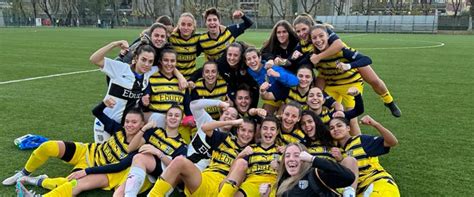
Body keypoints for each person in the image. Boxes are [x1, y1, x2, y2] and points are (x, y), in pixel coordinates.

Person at [7, 105, 153, 195]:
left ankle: (36, 180)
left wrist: (85, 172)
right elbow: (97, 112)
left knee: (67, 183)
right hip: (86, 151)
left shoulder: (137, 148)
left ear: (142, 124)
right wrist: (104, 104)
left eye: (134, 122)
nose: (129, 125)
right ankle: (23, 172)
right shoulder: (118, 130)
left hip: (93, 167)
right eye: (127, 121)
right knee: (48, 146)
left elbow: (118, 167)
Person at [146, 118, 256, 197]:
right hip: (205, 179)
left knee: (241, 163)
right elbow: (205, 128)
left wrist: (241, 155)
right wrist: (232, 122)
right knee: (179, 160)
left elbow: (236, 173)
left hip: (224, 186)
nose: (246, 134)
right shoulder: (224, 138)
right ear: (237, 130)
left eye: (250, 131)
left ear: (254, 134)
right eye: (243, 130)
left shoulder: (253, 151)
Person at [90, 40, 158, 143]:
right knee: (102, 157)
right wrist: (114, 44)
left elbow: (167, 65)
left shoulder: (148, 73)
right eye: (143, 60)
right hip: (104, 122)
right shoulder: (120, 68)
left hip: (125, 127)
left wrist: (181, 78)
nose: (146, 64)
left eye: (150, 61)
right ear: (136, 58)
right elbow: (94, 59)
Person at [113, 104, 188, 197]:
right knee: (119, 193)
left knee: (139, 157)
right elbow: (130, 148)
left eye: (176, 116)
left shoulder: (182, 145)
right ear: (165, 118)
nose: (173, 118)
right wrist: (144, 128)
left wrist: (158, 152)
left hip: (162, 175)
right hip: (140, 170)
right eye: (170, 115)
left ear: (181, 121)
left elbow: (178, 168)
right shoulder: (154, 131)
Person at [329, 116, 400, 196]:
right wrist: (340, 160)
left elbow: (392, 142)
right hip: (359, 192)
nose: (335, 129)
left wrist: (375, 124)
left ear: (348, 128)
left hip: (377, 184)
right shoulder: (337, 152)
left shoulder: (361, 141)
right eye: (331, 128)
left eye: (339, 126)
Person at [259, 143, 355, 197]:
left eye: (297, 155)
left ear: (305, 158)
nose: (291, 159)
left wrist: (313, 159)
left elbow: (349, 177)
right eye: (287, 156)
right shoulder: (283, 183)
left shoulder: (316, 175)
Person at [218, 116, 281, 197]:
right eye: (265, 128)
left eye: (272, 129)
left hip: (272, 183)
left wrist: (279, 167)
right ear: (260, 130)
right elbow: (236, 169)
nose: (268, 132)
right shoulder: (251, 149)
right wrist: (241, 155)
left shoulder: (281, 150)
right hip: (251, 183)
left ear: (277, 132)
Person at [191, 42, 260, 109]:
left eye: (235, 55)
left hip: (245, 84)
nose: (232, 58)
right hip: (231, 85)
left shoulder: (245, 61)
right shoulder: (222, 62)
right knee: (231, 106)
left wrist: (269, 61)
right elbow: (203, 70)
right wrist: (192, 79)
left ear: (241, 56)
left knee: (255, 88)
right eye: (229, 54)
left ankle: (253, 115)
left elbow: (262, 56)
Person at [186, 99, 239, 171]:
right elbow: (194, 105)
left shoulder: (231, 140)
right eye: (226, 113)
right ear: (221, 115)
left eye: (233, 116)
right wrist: (218, 103)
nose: (229, 117)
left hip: (205, 175)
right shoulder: (207, 121)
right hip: (186, 163)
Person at [245, 47, 299, 114]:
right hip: (273, 96)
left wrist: (278, 75)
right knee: (264, 117)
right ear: (246, 62)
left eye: (254, 57)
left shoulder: (271, 67)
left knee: (280, 120)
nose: (252, 61)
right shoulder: (249, 72)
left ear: (260, 58)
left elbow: (295, 81)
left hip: (288, 96)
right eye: (249, 59)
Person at [169, 13, 202, 80]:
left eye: (189, 25)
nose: (186, 27)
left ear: (193, 27)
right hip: (174, 78)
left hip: (191, 79)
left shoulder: (198, 38)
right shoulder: (171, 38)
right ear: (178, 26)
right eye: (183, 24)